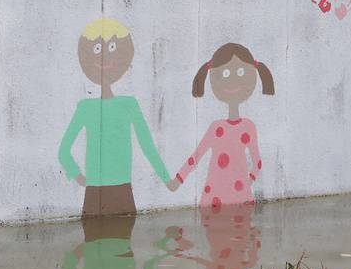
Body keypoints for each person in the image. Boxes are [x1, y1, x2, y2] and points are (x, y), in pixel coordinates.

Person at [57, 18, 174, 216]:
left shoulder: (127, 105)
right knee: (114, 240)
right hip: (102, 190)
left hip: (115, 189)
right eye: (96, 49)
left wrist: (166, 179)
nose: (104, 57)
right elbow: (63, 151)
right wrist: (80, 178)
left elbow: (147, 145)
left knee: (102, 241)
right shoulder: (87, 107)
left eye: (112, 47)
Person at [172, 42, 274, 211]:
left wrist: (244, 183)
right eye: (225, 73)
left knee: (240, 233)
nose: (233, 82)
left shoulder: (248, 127)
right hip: (213, 197)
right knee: (214, 235)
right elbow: (197, 156)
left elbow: (257, 163)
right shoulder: (216, 128)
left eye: (240, 72)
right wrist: (178, 179)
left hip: (241, 198)